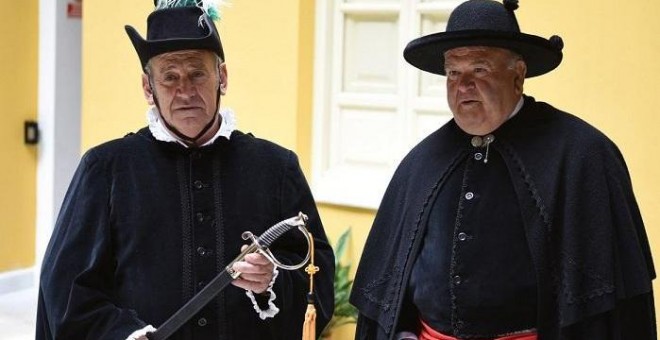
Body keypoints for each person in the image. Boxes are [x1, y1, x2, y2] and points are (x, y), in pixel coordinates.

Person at [350, 0, 656, 339]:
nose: (463, 85)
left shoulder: (583, 156)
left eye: (479, 69)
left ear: (518, 74)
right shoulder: (421, 162)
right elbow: (390, 296)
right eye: (453, 72)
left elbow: (615, 311)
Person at [36, 2, 334, 339]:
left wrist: (271, 282)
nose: (185, 91)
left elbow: (316, 275)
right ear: (148, 88)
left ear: (222, 77)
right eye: (170, 77)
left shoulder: (277, 167)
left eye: (197, 73)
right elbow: (67, 289)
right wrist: (127, 335)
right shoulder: (105, 169)